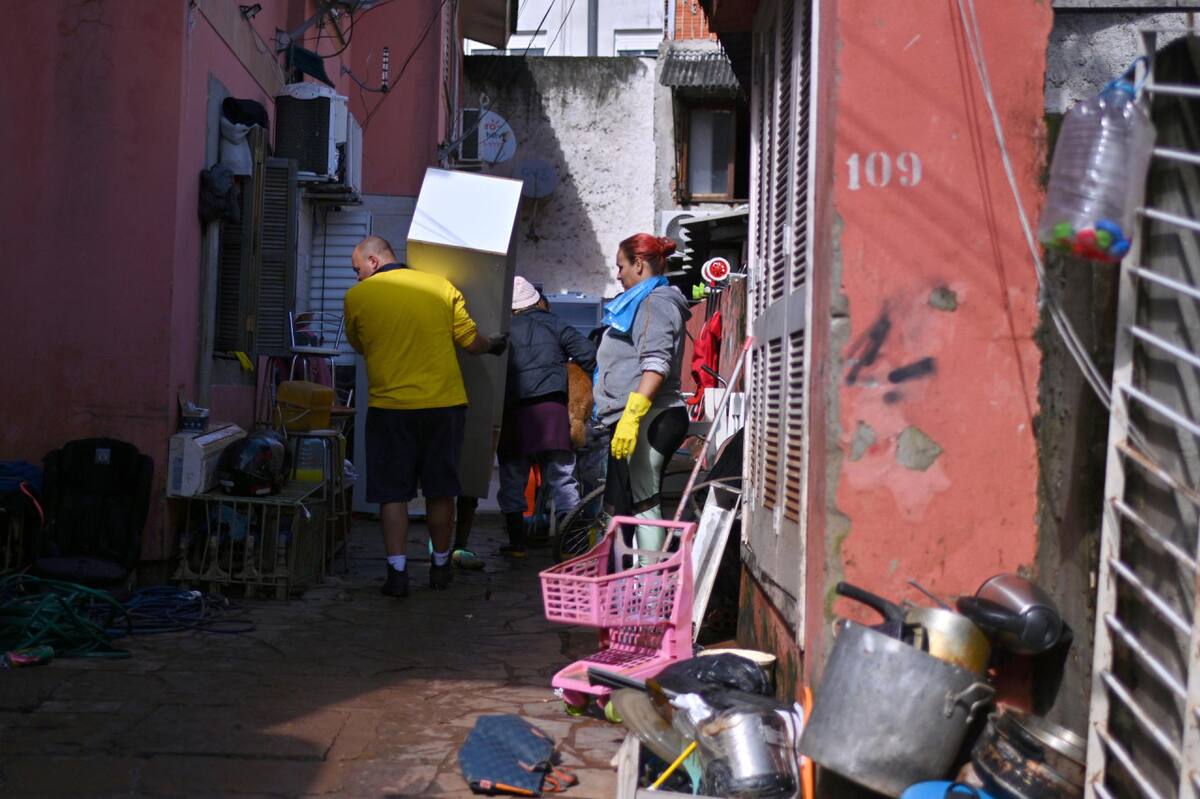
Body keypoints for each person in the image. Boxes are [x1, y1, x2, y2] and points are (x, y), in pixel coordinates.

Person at [344, 236, 507, 598]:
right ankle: (440, 567)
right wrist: (495, 344)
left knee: (393, 495)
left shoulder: (358, 297)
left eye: (358, 270)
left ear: (372, 261)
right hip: (443, 406)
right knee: (441, 490)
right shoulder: (439, 287)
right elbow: (471, 341)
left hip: (390, 410)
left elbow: (360, 344)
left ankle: (397, 574)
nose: (357, 278)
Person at [594, 234, 691, 552]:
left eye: (620, 266)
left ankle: (650, 591)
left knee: (643, 504)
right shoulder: (640, 302)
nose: (618, 274)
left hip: (652, 417)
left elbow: (656, 366)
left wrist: (631, 418)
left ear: (638, 264)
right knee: (620, 506)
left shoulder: (655, 302)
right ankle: (618, 586)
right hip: (637, 417)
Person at [496, 277, 597, 557]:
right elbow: (588, 354)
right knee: (563, 479)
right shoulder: (554, 323)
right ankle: (571, 545)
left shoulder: (502, 328)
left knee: (513, 480)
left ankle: (517, 545)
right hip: (552, 411)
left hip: (514, 412)